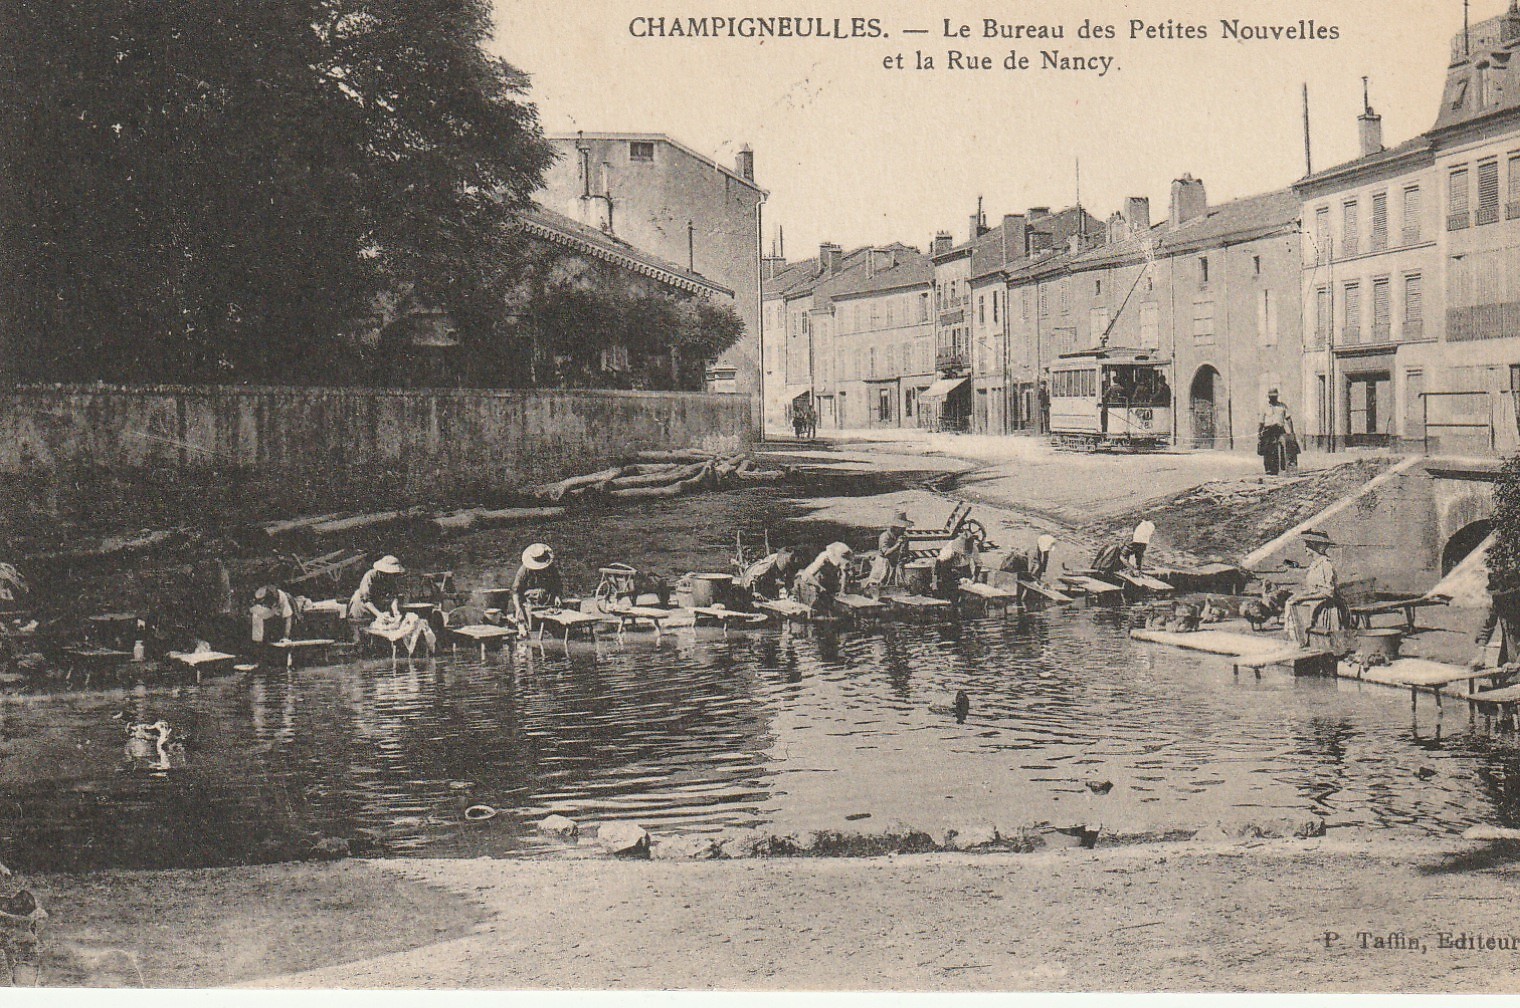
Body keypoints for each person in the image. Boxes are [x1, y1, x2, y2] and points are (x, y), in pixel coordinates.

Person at [1284, 529, 1346, 648]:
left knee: (1326, 647)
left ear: (1315, 547)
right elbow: (1315, 588)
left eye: (1308, 545)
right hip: (1317, 609)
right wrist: (1301, 595)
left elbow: (1328, 593)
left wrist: (1303, 597)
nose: (1305, 548)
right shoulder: (1315, 565)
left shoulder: (1325, 565)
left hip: (1326, 610)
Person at [348, 555, 406, 642]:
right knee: (361, 632)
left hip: (374, 607)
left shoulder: (390, 578)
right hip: (361, 606)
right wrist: (379, 614)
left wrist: (395, 610)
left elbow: (394, 596)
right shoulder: (370, 576)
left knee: (375, 632)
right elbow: (366, 600)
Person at [512, 543, 565, 629]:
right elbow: (515, 591)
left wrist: (557, 596)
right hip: (530, 603)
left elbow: (557, 584)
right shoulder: (524, 570)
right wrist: (518, 608)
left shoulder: (551, 568)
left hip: (548, 602)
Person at [794, 542, 853, 614]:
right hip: (809, 583)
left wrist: (842, 591)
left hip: (824, 583)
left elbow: (844, 574)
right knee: (814, 609)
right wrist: (819, 586)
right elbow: (807, 575)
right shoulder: (824, 557)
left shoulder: (843, 559)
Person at [1258, 389, 1296, 476]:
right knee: (1268, 449)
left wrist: (1292, 432)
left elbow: (1288, 419)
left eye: (1274, 396)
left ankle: (1282, 468)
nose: (1273, 398)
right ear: (1268, 397)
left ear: (1277, 396)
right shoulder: (1264, 407)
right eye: (1271, 397)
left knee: (1283, 447)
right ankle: (1269, 469)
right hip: (1268, 430)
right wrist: (1259, 432)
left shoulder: (1282, 406)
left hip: (1279, 429)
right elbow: (1261, 422)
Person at [872, 510, 913, 588]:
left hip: (897, 563)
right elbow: (886, 553)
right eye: (902, 528)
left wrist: (907, 557)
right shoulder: (885, 536)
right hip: (884, 563)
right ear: (895, 527)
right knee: (880, 583)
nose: (904, 530)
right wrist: (898, 545)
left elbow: (905, 552)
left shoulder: (903, 537)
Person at [934, 530, 981, 596]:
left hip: (965, 569)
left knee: (968, 589)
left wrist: (975, 577)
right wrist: (936, 579)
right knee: (950, 590)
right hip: (950, 569)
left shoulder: (974, 548)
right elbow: (939, 561)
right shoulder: (950, 547)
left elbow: (978, 563)